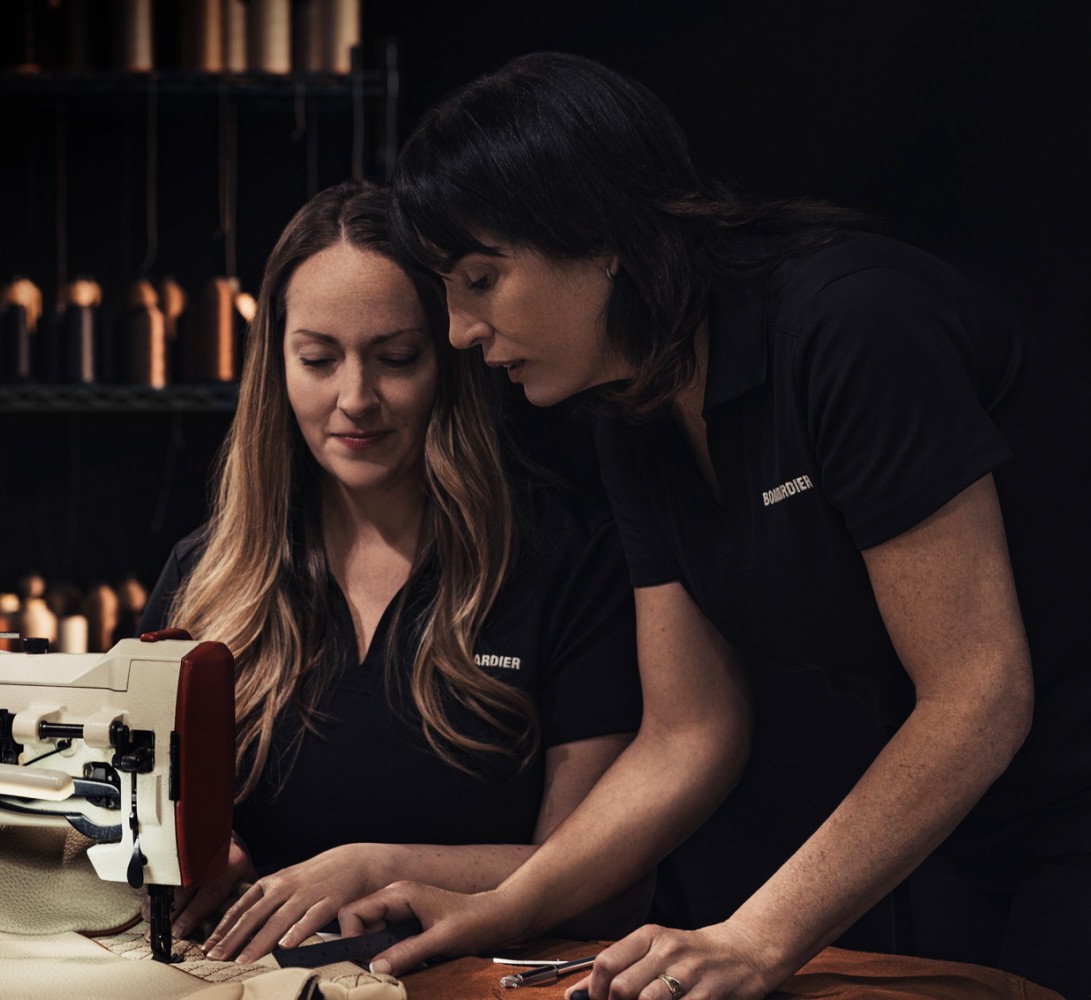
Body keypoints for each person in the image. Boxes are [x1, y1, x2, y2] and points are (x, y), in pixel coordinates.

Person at [334, 52, 1091, 1000]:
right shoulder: (634, 411)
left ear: (599, 234)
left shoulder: (853, 326)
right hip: (956, 830)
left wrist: (754, 938)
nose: (457, 332)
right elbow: (687, 733)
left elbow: (977, 692)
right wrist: (506, 906)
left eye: (482, 278)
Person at [136, 179, 650, 963]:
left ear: (453, 358)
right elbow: (129, 820)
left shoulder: (566, 562)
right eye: (317, 359)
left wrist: (374, 866)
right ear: (275, 368)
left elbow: (600, 880)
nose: (355, 398)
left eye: (396, 358)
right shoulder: (205, 576)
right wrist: (190, 853)